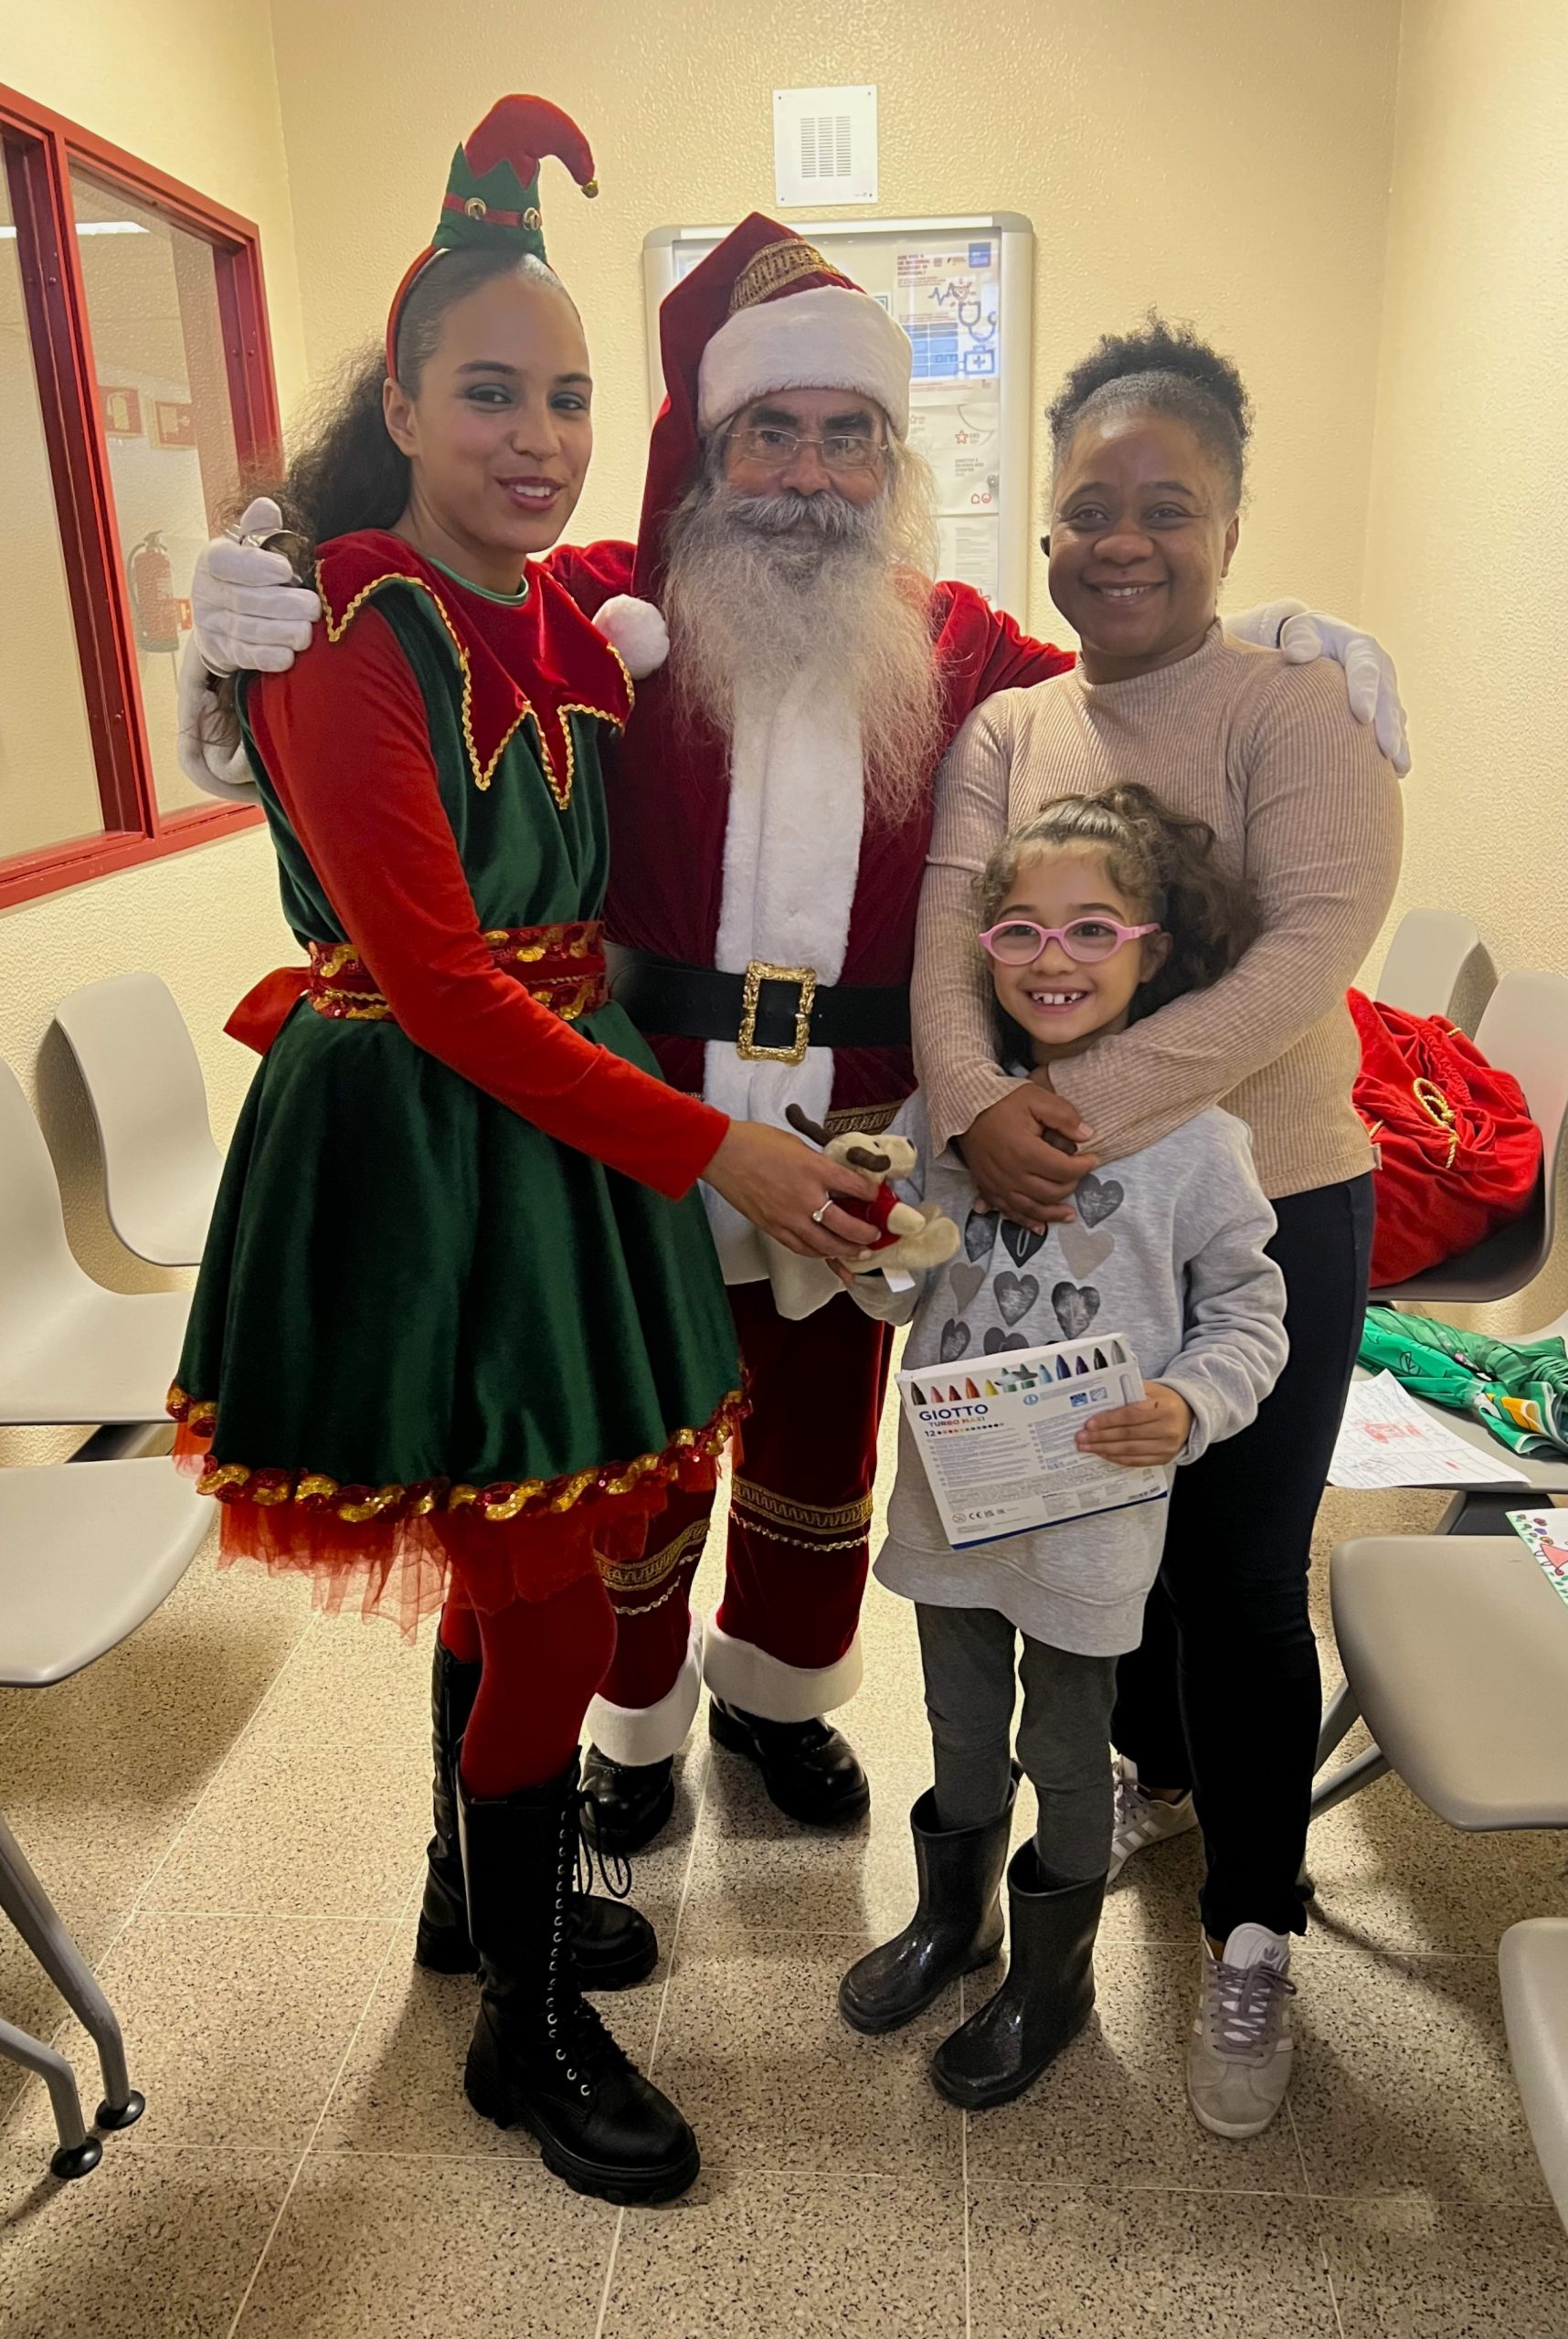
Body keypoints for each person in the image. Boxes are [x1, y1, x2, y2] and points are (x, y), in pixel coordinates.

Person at [178, 223, 1408, 1861]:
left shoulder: (963, 645)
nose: (811, 474)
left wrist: (1274, 643)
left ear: (894, 463)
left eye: (849, 436)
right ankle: (630, 1716)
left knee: (822, 1441)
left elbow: (1129, 693)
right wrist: (223, 636)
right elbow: (427, 624)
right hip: (637, 1102)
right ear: (713, 446)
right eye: (772, 430)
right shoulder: (604, 602)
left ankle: (776, 1699)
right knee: (628, 1443)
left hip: (864, 1121)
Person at [167, 97, 881, 2207]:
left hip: (552, 1142)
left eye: (568, 397)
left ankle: (469, 1896)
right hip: (431, 1148)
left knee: (520, 1555)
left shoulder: (563, 618)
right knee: (552, 1606)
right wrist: (722, 1154)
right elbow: (451, 983)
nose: (539, 436)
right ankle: (520, 2026)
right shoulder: (350, 629)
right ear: (397, 405)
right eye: (489, 391)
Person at [913, 316, 1404, 2138]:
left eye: (1167, 507)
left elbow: (1307, 957)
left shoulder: (1297, 710)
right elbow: (950, 935)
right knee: (1090, 1544)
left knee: (1238, 1579)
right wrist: (972, 1107)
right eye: (1088, 506)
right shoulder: (1008, 726)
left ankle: (1255, 1924)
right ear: (1044, 521)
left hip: (1265, 1198)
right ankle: (1153, 1775)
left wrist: (1067, 1113)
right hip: (1040, 1216)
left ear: (1231, 524)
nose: (1121, 540)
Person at [832, 786, 1287, 2111]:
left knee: (1070, 1750)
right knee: (960, 1725)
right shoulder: (943, 1114)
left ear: (1157, 951)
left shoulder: (1202, 1147)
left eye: (1093, 928)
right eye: (1019, 930)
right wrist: (875, 1250)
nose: (1053, 958)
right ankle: (954, 1923)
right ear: (983, 952)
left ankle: (1055, 1979)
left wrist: (1190, 1406)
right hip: (952, 1498)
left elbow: (1252, 1316)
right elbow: (899, 1293)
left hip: (1092, 1513)